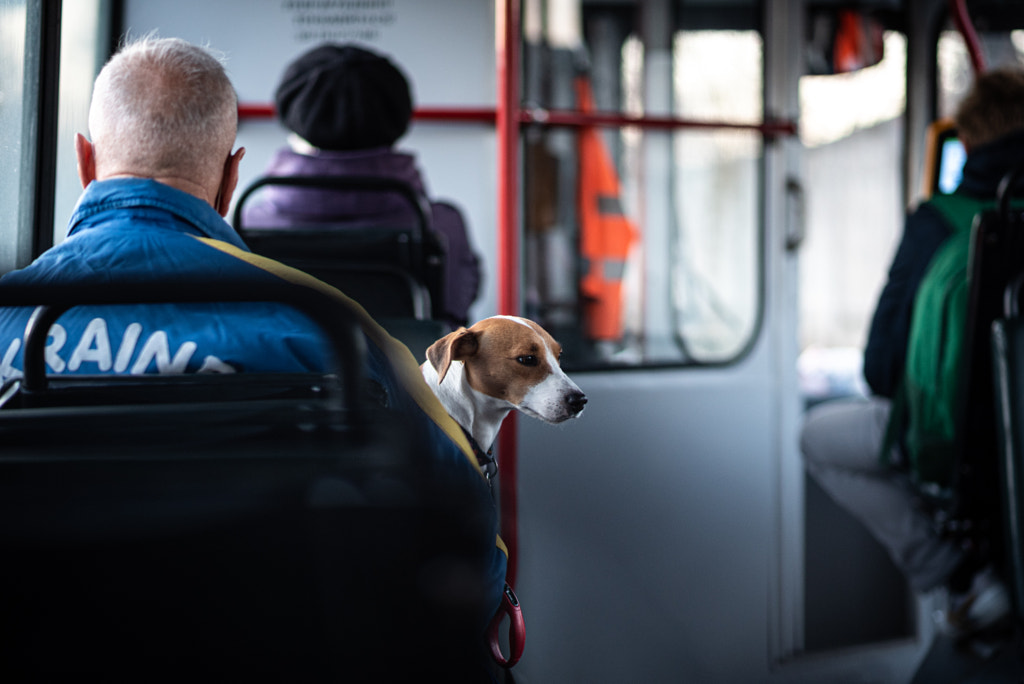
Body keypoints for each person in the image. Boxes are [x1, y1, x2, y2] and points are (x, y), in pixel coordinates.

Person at [0, 35, 506, 635]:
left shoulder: (12, 311)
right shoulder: (334, 329)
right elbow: (466, 535)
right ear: (230, 177)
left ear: (85, 163)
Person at [801, 67, 1024, 638]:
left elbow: (879, 372)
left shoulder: (937, 223)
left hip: (956, 447)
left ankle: (959, 574)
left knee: (818, 439)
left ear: (967, 141)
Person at [241, 42, 482, 330]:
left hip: (285, 373)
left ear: (292, 117)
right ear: (399, 119)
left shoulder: (249, 221)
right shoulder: (442, 225)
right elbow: (451, 320)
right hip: (406, 373)